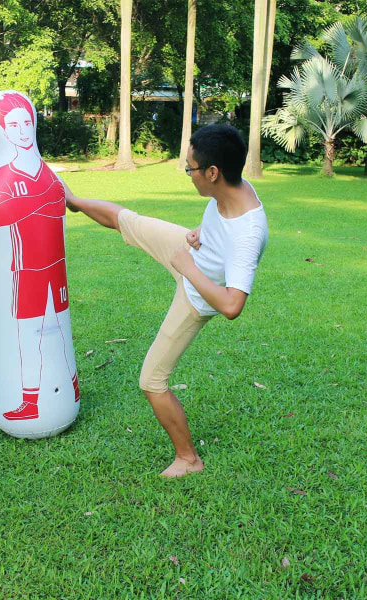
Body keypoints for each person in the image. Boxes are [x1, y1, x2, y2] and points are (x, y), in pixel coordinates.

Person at [64, 124, 268, 477]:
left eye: (190, 168)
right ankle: (70, 200)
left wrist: (188, 268)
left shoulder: (248, 234)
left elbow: (233, 306)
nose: (188, 175)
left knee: (151, 381)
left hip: (195, 296)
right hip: (189, 252)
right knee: (126, 220)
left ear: (213, 172)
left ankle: (189, 459)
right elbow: (223, 223)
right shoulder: (234, 187)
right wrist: (201, 235)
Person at [0, 92, 79, 421]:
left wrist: (27, 203)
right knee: (28, 336)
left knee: (59, 331)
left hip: (56, 267)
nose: (22, 130)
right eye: (14, 124)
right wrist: (40, 201)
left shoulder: (49, 174)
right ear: (2, 131)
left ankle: (72, 389)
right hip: (27, 270)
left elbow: (59, 203)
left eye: (27, 122)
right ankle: (32, 402)